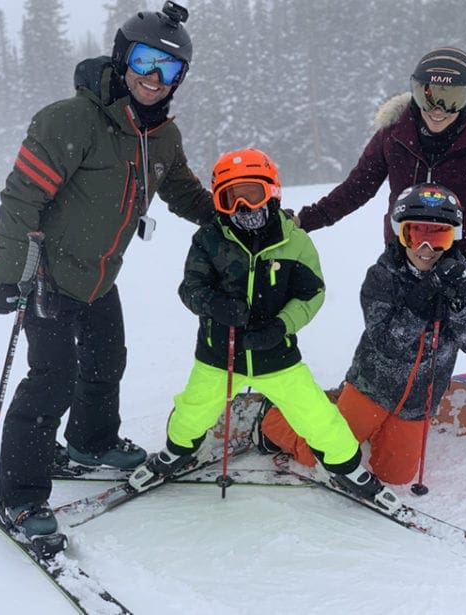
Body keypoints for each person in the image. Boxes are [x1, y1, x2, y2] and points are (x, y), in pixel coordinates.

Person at [0, 1, 216, 540]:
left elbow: (181, 190)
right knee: (52, 380)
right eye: (144, 62)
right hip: (49, 274)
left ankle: (90, 442)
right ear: (121, 58)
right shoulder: (71, 120)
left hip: (99, 275)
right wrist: (5, 273)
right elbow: (21, 199)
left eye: (168, 70)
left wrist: (232, 218)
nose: (153, 79)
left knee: (106, 359)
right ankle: (21, 497)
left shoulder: (161, 136)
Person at [128, 148, 395, 510]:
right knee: (193, 410)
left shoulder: (293, 241)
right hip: (219, 354)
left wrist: (281, 326)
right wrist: (215, 305)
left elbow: (312, 293)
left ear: (272, 191)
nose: (243, 207)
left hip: (277, 355)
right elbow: (190, 288)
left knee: (317, 416)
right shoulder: (210, 239)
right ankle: (176, 453)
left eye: (251, 194)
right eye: (230, 198)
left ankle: (347, 467)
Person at [295, 47, 466, 414]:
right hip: (406, 250)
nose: (439, 109)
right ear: (415, 90)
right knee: (389, 333)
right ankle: (363, 396)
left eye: (453, 99)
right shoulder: (394, 135)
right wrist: (303, 221)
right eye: (429, 94)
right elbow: (355, 189)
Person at [261, 183, 466, 485]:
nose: (426, 249)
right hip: (371, 388)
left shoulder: (465, 278)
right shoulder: (383, 276)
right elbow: (388, 343)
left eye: (439, 237)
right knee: (320, 457)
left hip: (418, 401)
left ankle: (365, 424)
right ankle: (276, 417)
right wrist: (420, 300)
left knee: (395, 477)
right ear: (399, 233)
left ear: (453, 239)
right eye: (415, 235)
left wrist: (459, 303)